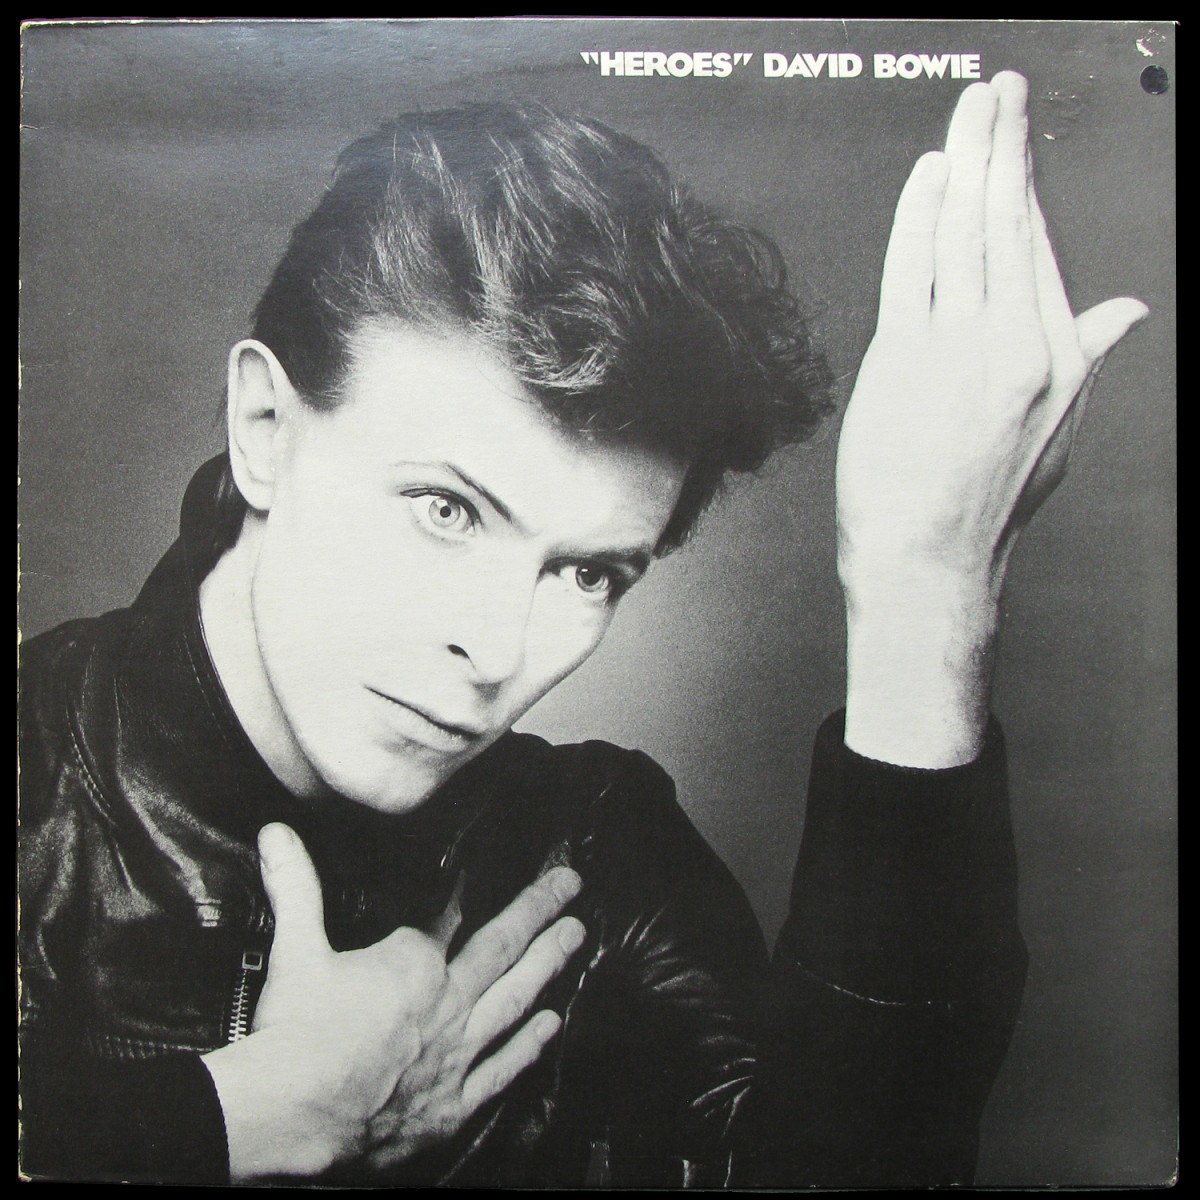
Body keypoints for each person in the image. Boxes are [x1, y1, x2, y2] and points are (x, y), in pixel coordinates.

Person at [18, 71, 1147, 1186]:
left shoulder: (596, 855)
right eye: (446, 510)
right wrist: (242, 1120)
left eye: (588, 572)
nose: (498, 651)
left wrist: (926, 590)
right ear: (266, 427)